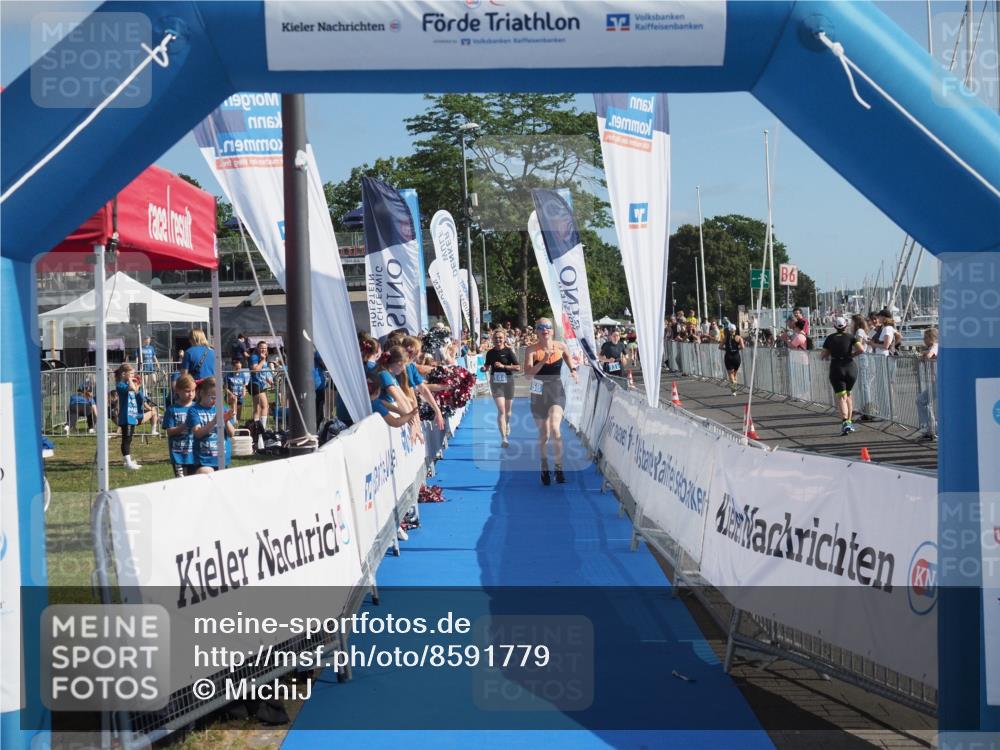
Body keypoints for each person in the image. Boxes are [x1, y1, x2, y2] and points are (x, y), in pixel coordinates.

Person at [523, 317, 578, 485]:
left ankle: (559, 468)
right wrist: (545, 360)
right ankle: (544, 465)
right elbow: (527, 375)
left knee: (555, 428)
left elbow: (568, 357)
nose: (544, 329)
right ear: (537, 331)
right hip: (538, 393)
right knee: (544, 434)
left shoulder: (561, 346)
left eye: (547, 327)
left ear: (552, 331)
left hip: (556, 390)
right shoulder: (531, 350)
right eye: (540, 327)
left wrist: (573, 370)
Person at [820, 316, 865, 435]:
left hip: (836, 367)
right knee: (848, 395)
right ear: (846, 326)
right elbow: (861, 349)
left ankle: (845, 422)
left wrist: (829, 354)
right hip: (850, 367)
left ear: (834, 326)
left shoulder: (830, 338)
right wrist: (851, 355)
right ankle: (849, 422)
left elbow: (823, 355)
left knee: (841, 397)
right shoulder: (851, 337)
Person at [186, 378, 236, 474]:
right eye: (213, 397)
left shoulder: (223, 408)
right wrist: (214, 421)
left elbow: (232, 433)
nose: (215, 401)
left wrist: (226, 421)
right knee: (206, 473)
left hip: (222, 457)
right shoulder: (194, 410)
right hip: (204, 458)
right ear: (201, 393)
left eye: (218, 398)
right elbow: (198, 433)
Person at [483, 328, 520, 447]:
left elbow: (518, 367)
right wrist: (484, 368)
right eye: (496, 338)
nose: (498, 340)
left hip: (508, 381)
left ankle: (507, 424)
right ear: (492, 339)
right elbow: (487, 365)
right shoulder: (490, 353)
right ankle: (504, 438)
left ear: (504, 339)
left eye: (500, 338)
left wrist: (504, 366)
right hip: (496, 382)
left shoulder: (509, 351)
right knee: (501, 410)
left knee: (508, 412)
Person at [163, 374, 197, 478]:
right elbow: (169, 431)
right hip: (178, 454)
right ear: (178, 390)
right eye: (187, 391)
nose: (191, 394)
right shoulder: (172, 410)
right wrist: (184, 426)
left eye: (193, 390)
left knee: (194, 480)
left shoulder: (198, 407)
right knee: (181, 482)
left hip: (195, 453)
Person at [115, 364, 144, 471]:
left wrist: (137, 385)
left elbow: (137, 393)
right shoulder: (120, 385)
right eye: (131, 373)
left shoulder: (128, 384)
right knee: (126, 439)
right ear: (124, 374)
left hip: (132, 415)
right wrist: (131, 382)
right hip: (125, 416)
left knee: (129, 439)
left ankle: (128, 460)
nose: (134, 375)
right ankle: (127, 462)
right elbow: (131, 388)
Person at [916, 328, 938, 441]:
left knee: (922, 400)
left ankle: (932, 428)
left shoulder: (935, 346)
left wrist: (924, 355)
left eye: (925, 338)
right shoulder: (934, 346)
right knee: (923, 400)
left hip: (940, 381)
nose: (924, 340)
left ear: (931, 338)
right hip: (938, 381)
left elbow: (929, 355)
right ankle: (931, 428)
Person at [248, 340, 273, 428]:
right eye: (262, 348)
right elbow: (255, 370)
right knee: (265, 405)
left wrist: (269, 380)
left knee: (257, 408)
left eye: (265, 348)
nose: (264, 350)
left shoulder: (263, 357)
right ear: (257, 348)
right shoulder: (254, 357)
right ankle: (263, 428)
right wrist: (262, 360)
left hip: (260, 384)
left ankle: (256, 428)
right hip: (255, 384)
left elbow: (263, 371)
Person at [718, 323, 744, 394]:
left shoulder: (725, 337)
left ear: (729, 330)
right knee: (735, 374)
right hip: (736, 357)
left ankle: (733, 388)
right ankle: (734, 389)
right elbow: (742, 347)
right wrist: (736, 348)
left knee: (730, 374)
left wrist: (727, 349)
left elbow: (720, 347)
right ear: (735, 330)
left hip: (728, 356)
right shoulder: (739, 337)